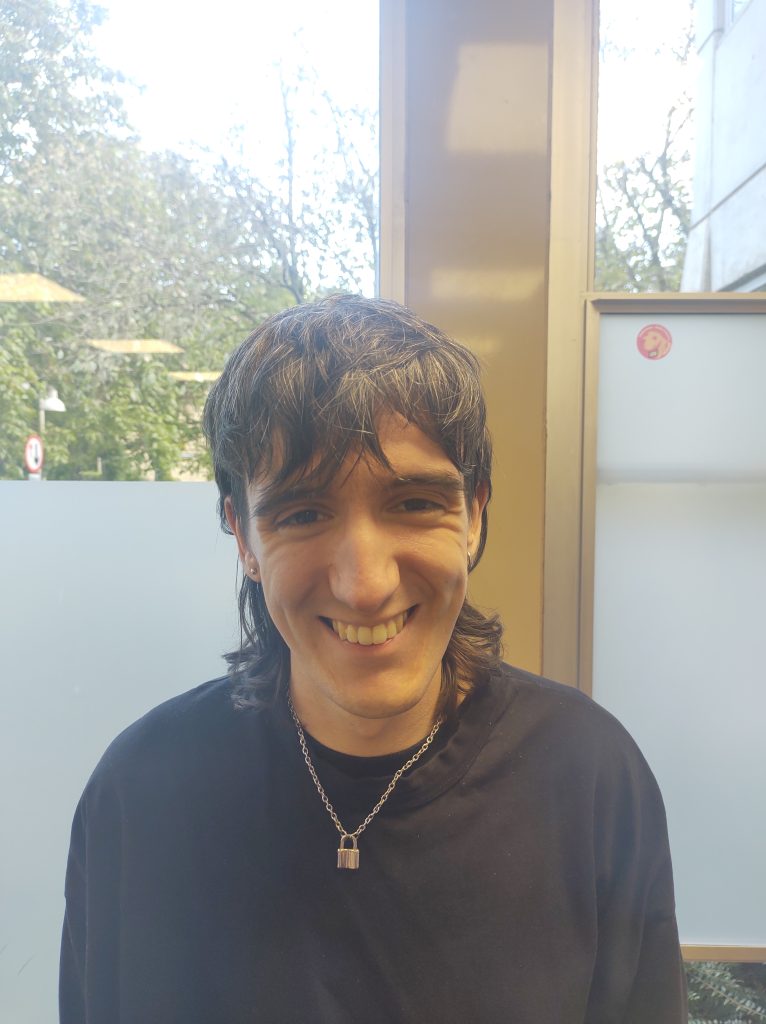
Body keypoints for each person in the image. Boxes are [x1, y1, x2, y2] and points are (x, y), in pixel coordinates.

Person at [60, 294, 687, 1022]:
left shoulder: (587, 775)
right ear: (243, 537)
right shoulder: (142, 795)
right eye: (303, 513)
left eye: (414, 503)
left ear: (474, 513)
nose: (366, 585)